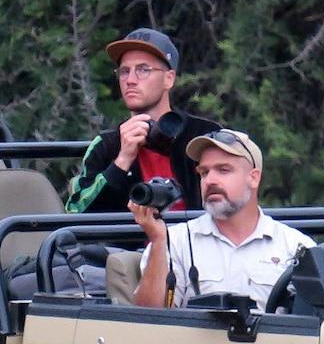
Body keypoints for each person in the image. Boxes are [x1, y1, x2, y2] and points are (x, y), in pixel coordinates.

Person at [131, 129, 314, 310]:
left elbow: (318, 324)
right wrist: (158, 240)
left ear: (254, 178)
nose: (210, 180)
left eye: (223, 170)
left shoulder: (296, 247)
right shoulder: (173, 242)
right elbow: (148, 321)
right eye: (204, 173)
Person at [64, 28, 220, 214]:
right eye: (124, 71)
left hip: (194, 241)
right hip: (125, 243)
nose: (130, 80)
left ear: (169, 79)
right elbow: (75, 214)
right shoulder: (106, 146)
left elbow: (234, 199)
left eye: (143, 70)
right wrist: (122, 161)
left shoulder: (204, 136)